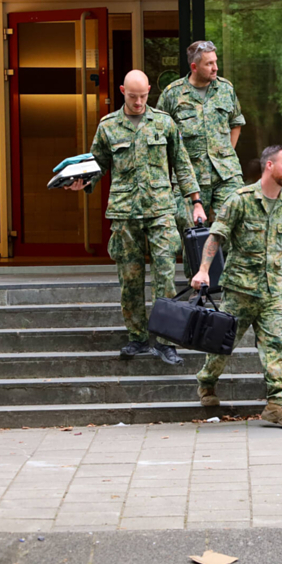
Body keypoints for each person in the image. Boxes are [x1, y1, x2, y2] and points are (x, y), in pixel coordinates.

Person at [66, 70, 206, 365]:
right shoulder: (108, 126)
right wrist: (83, 182)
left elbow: (182, 164)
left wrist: (196, 202)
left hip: (161, 211)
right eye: (133, 96)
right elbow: (97, 164)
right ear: (122, 91)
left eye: (143, 96)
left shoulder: (164, 123)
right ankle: (137, 338)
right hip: (125, 212)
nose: (139, 101)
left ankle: (166, 342)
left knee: (165, 279)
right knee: (129, 280)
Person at [190, 145, 282, 428]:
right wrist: (203, 270)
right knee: (221, 346)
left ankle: (278, 405)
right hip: (239, 290)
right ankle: (207, 381)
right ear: (269, 166)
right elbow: (216, 236)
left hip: (273, 292)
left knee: (276, 346)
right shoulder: (240, 200)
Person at [156, 40, 246, 232]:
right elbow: (159, 135)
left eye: (216, 61)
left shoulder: (226, 89)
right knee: (193, 236)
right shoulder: (173, 94)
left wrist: (226, 153)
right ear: (194, 67)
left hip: (226, 175)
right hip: (191, 179)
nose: (216, 68)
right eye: (209, 63)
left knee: (233, 228)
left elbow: (236, 122)